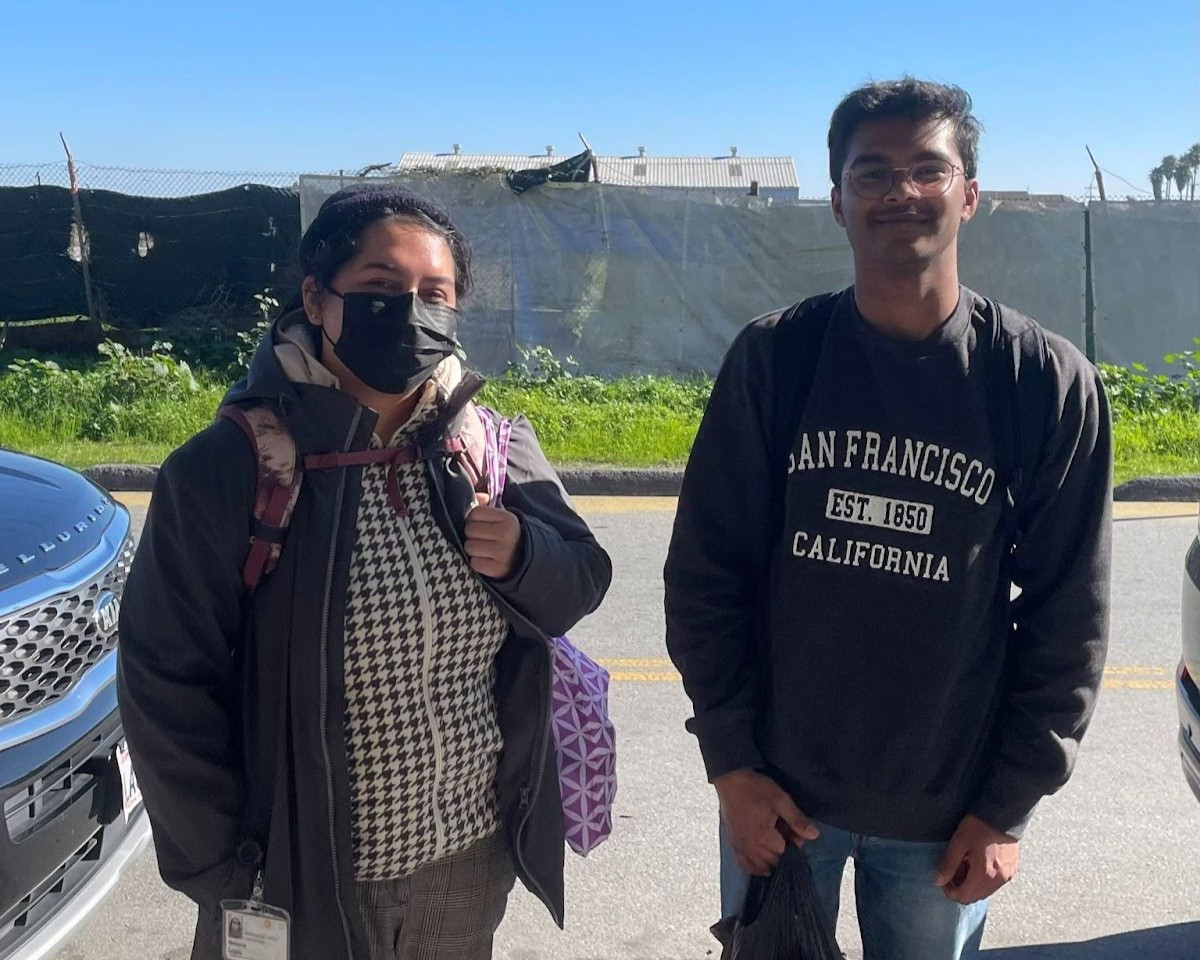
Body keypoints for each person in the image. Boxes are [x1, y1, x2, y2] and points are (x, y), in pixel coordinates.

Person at [664, 79, 1112, 960]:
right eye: (871, 173)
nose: (900, 191)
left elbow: (1069, 617)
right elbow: (706, 574)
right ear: (837, 201)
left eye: (926, 169)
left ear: (969, 195)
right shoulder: (776, 358)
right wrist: (732, 767)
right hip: (780, 804)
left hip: (948, 821)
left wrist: (1007, 806)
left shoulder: (1042, 383)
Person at [118, 185, 612, 960]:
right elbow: (164, 685)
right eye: (380, 289)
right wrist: (224, 871)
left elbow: (582, 580)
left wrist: (525, 555)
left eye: (434, 294)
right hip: (297, 879)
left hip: (465, 864)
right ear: (317, 298)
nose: (410, 312)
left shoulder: (485, 444)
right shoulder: (229, 470)